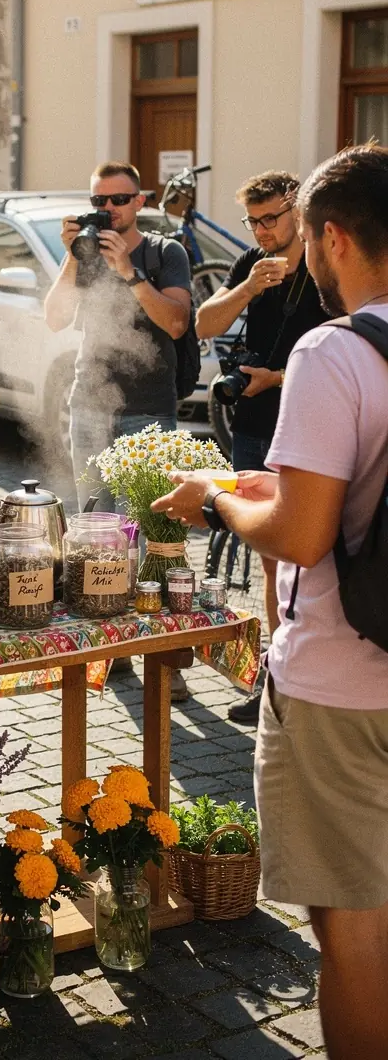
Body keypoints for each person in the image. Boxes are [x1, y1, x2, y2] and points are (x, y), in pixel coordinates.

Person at [151, 144, 388, 1060]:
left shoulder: (336, 350)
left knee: (356, 931)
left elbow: (299, 538)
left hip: (341, 682)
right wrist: (276, 483)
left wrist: (215, 494)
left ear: (331, 238)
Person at [44, 160, 191, 698]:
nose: (110, 210)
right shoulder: (84, 254)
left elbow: (176, 322)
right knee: (98, 528)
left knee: (159, 531)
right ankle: (110, 647)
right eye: (100, 202)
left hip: (149, 408)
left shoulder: (163, 252)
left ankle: (167, 658)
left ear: (140, 201)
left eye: (121, 200)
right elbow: (56, 318)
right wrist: (70, 257)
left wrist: (129, 272)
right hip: (91, 405)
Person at [195, 172, 328, 725]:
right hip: (253, 420)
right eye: (253, 220)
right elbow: (203, 323)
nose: (262, 230)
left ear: (297, 212)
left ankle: (313, 675)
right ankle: (275, 679)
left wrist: (276, 378)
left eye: (271, 218)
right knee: (271, 559)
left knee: (311, 552)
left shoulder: (325, 257)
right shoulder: (251, 261)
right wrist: (249, 286)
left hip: (308, 418)